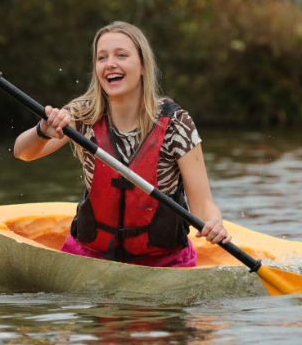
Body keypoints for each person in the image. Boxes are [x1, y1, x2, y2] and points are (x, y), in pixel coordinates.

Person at [13, 22, 230, 268]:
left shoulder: (176, 124)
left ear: (143, 66)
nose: (110, 64)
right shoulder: (83, 114)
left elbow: (202, 204)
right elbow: (23, 153)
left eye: (121, 55)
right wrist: (42, 130)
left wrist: (214, 222)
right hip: (90, 256)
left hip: (162, 263)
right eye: (102, 57)